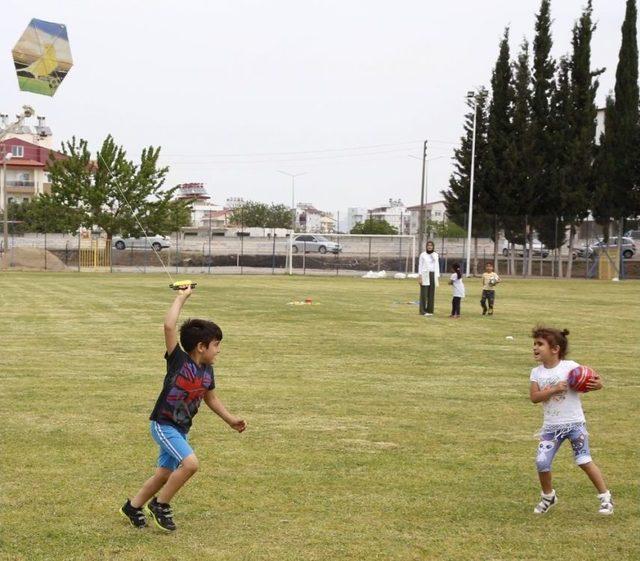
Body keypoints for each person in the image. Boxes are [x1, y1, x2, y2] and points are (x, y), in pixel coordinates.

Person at [120, 286, 246, 532]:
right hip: (163, 424)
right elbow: (169, 327)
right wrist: (181, 297)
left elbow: (211, 399)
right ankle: (160, 504)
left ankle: (133, 507)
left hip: (181, 428)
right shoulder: (178, 359)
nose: (219, 349)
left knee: (164, 474)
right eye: (216, 344)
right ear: (201, 346)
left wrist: (230, 420)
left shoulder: (207, 371)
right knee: (190, 465)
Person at [529, 326, 613, 515]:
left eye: (540, 344)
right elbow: (534, 397)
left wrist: (598, 384)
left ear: (555, 349)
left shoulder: (571, 367)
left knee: (584, 460)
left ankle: (605, 498)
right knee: (542, 463)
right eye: (534, 344)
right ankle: (548, 496)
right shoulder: (536, 373)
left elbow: (594, 380)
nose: (535, 347)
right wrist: (553, 390)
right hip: (551, 428)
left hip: (575, 424)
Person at [417, 240, 440, 316]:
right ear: (426, 246)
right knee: (424, 293)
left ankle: (430, 310)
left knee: (431, 294)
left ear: (433, 247)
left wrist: (437, 276)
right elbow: (420, 265)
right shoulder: (423, 255)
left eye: (431, 245)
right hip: (425, 274)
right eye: (428, 245)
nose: (429, 246)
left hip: (433, 274)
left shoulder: (435, 254)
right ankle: (423, 311)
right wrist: (420, 276)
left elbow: (437, 265)